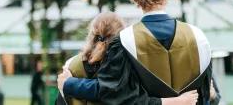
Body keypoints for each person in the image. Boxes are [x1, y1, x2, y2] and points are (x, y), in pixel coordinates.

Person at [58, 0, 214, 105]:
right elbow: (205, 96)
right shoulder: (198, 37)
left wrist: (69, 84)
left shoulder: (125, 41)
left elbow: (116, 94)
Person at [56, 12, 199, 105]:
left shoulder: (72, 66)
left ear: (91, 34)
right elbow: (130, 98)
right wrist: (177, 101)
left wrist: (68, 84)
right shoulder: (129, 63)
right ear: (121, 35)